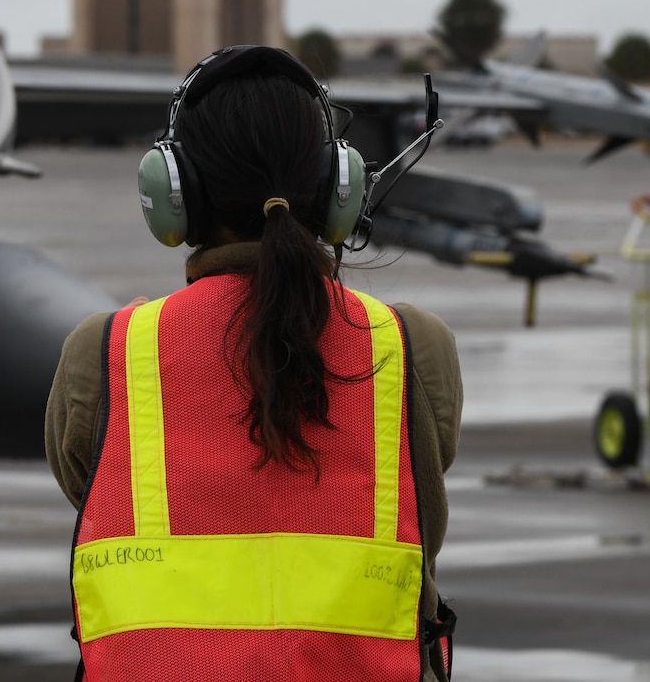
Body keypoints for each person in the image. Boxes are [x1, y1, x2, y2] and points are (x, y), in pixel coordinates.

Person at [46, 45, 462, 681]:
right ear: (335, 191)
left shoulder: (104, 357)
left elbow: (90, 488)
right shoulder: (410, 347)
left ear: (172, 192)